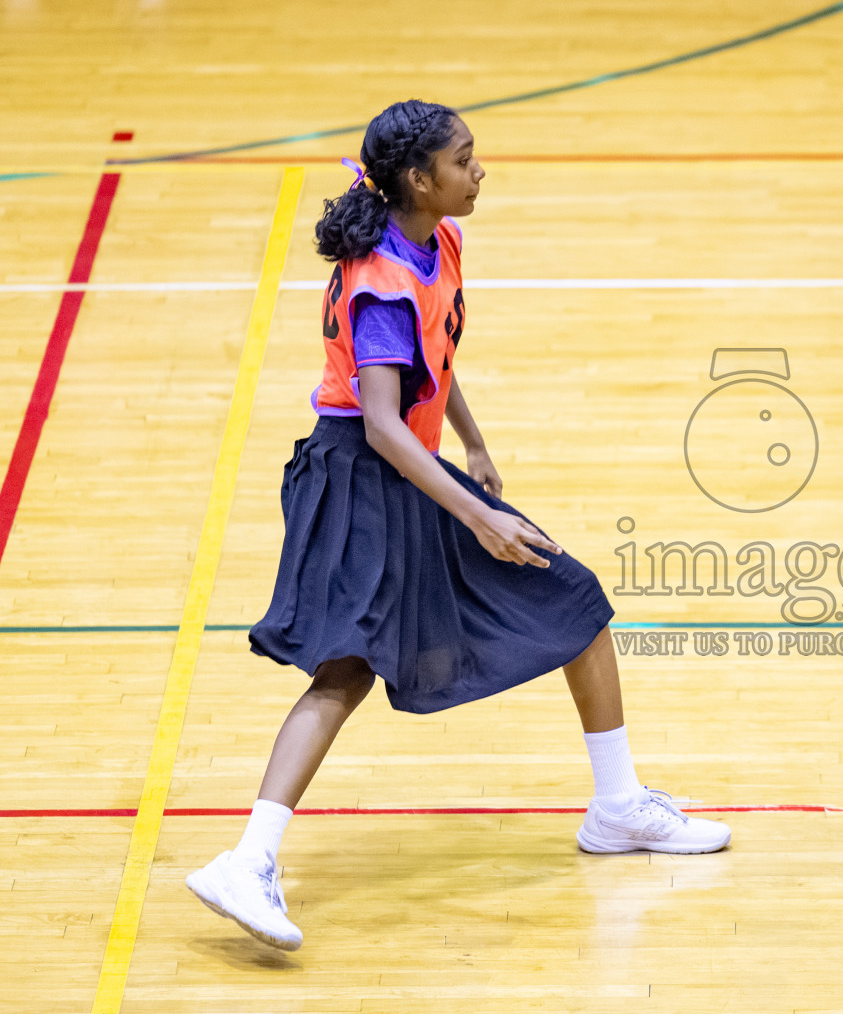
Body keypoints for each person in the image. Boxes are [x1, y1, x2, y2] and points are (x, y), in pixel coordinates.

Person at [186, 100, 729, 951]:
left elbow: (432, 360)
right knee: (345, 670)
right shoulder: (380, 282)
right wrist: (479, 516)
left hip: (419, 468)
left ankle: (619, 806)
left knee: (574, 599)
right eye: (464, 159)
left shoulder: (437, 240)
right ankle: (247, 861)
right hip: (364, 480)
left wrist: (472, 442)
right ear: (418, 179)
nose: (479, 171)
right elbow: (380, 423)